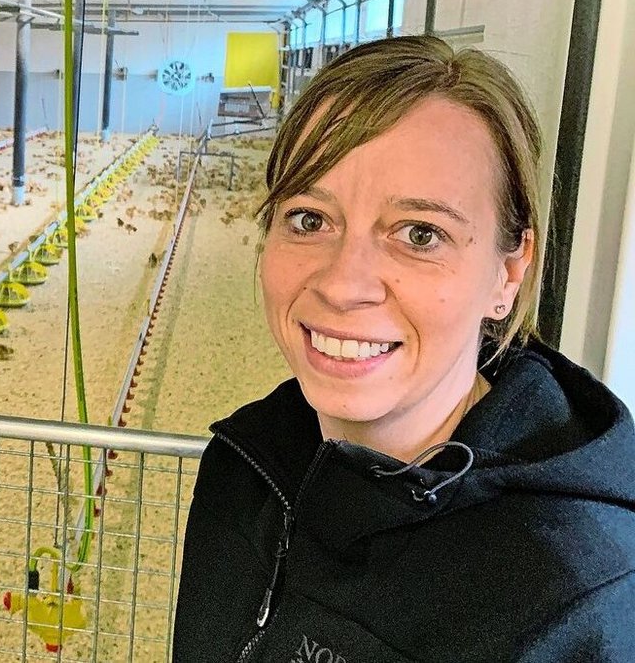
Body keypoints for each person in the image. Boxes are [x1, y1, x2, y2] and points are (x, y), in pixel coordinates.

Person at [173, 36, 635, 661]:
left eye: (421, 234)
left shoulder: (570, 597)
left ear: (509, 272)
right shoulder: (246, 466)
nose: (342, 284)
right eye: (309, 219)